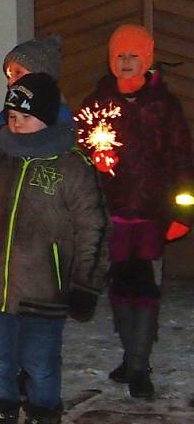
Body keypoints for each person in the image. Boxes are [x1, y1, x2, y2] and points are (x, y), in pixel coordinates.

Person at [0, 73, 109, 424]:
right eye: (11, 113)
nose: (15, 121)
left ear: (45, 117)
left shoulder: (71, 165)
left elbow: (92, 226)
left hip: (46, 288)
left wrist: (84, 282)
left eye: (24, 114)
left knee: (40, 366)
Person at [79, 24, 194, 400]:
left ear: (146, 60)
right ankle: (129, 354)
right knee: (120, 286)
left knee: (144, 288)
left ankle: (140, 363)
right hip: (113, 214)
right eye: (120, 56)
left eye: (133, 56)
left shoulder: (163, 105)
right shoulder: (99, 102)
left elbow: (181, 161)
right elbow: (81, 147)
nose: (126, 63)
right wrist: (94, 157)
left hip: (150, 213)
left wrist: (182, 213)